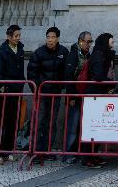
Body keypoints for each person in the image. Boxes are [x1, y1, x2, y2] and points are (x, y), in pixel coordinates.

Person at [27, 26, 70, 154]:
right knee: (38, 121)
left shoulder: (63, 51)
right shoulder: (39, 52)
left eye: (53, 37)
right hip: (41, 93)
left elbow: (66, 71)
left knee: (51, 122)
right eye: (48, 37)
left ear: (57, 39)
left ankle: (47, 150)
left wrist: (62, 86)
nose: (50, 40)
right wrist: (36, 89)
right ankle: (34, 150)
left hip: (55, 93)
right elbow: (31, 73)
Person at [0, 24, 25, 165]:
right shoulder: (1, 52)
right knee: (0, 123)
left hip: (16, 91)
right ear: (9, 36)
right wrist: (2, 85)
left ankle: (8, 150)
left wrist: (21, 83)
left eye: (19, 35)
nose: (18, 38)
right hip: (4, 92)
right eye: (15, 36)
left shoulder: (20, 49)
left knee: (12, 122)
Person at [84, 33, 115, 169]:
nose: (112, 43)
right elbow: (98, 75)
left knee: (97, 128)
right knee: (92, 127)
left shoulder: (104, 54)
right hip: (94, 94)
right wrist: (110, 83)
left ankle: (94, 154)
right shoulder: (99, 54)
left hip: (99, 93)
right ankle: (87, 158)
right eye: (111, 41)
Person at [63, 31, 93, 160]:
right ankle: (68, 153)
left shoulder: (88, 55)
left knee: (81, 125)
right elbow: (68, 77)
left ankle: (76, 151)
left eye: (91, 42)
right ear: (81, 41)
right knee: (72, 125)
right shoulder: (73, 55)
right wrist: (71, 96)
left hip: (84, 94)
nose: (89, 44)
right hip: (74, 95)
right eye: (88, 41)